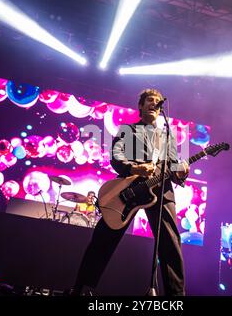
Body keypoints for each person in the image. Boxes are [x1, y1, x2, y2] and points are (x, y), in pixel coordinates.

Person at [70, 89, 189, 296]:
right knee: (103, 239)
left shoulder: (167, 136)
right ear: (141, 106)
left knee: (170, 244)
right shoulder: (128, 129)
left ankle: (176, 297)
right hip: (128, 190)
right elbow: (116, 159)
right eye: (149, 100)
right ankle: (81, 289)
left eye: (157, 102)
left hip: (160, 191)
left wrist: (181, 172)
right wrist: (134, 168)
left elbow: (172, 168)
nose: (154, 103)